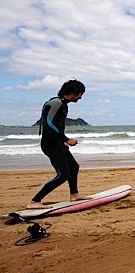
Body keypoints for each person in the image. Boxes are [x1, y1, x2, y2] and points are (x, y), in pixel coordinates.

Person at [27, 79, 90, 209]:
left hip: (56, 143)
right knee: (63, 174)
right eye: (80, 94)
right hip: (50, 144)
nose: (81, 97)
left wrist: (61, 141)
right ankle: (35, 201)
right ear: (72, 92)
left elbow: (55, 125)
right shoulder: (56, 102)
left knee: (74, 167)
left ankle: (74, 194)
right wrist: (66, 139)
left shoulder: (63, 104)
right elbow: (49, 124)